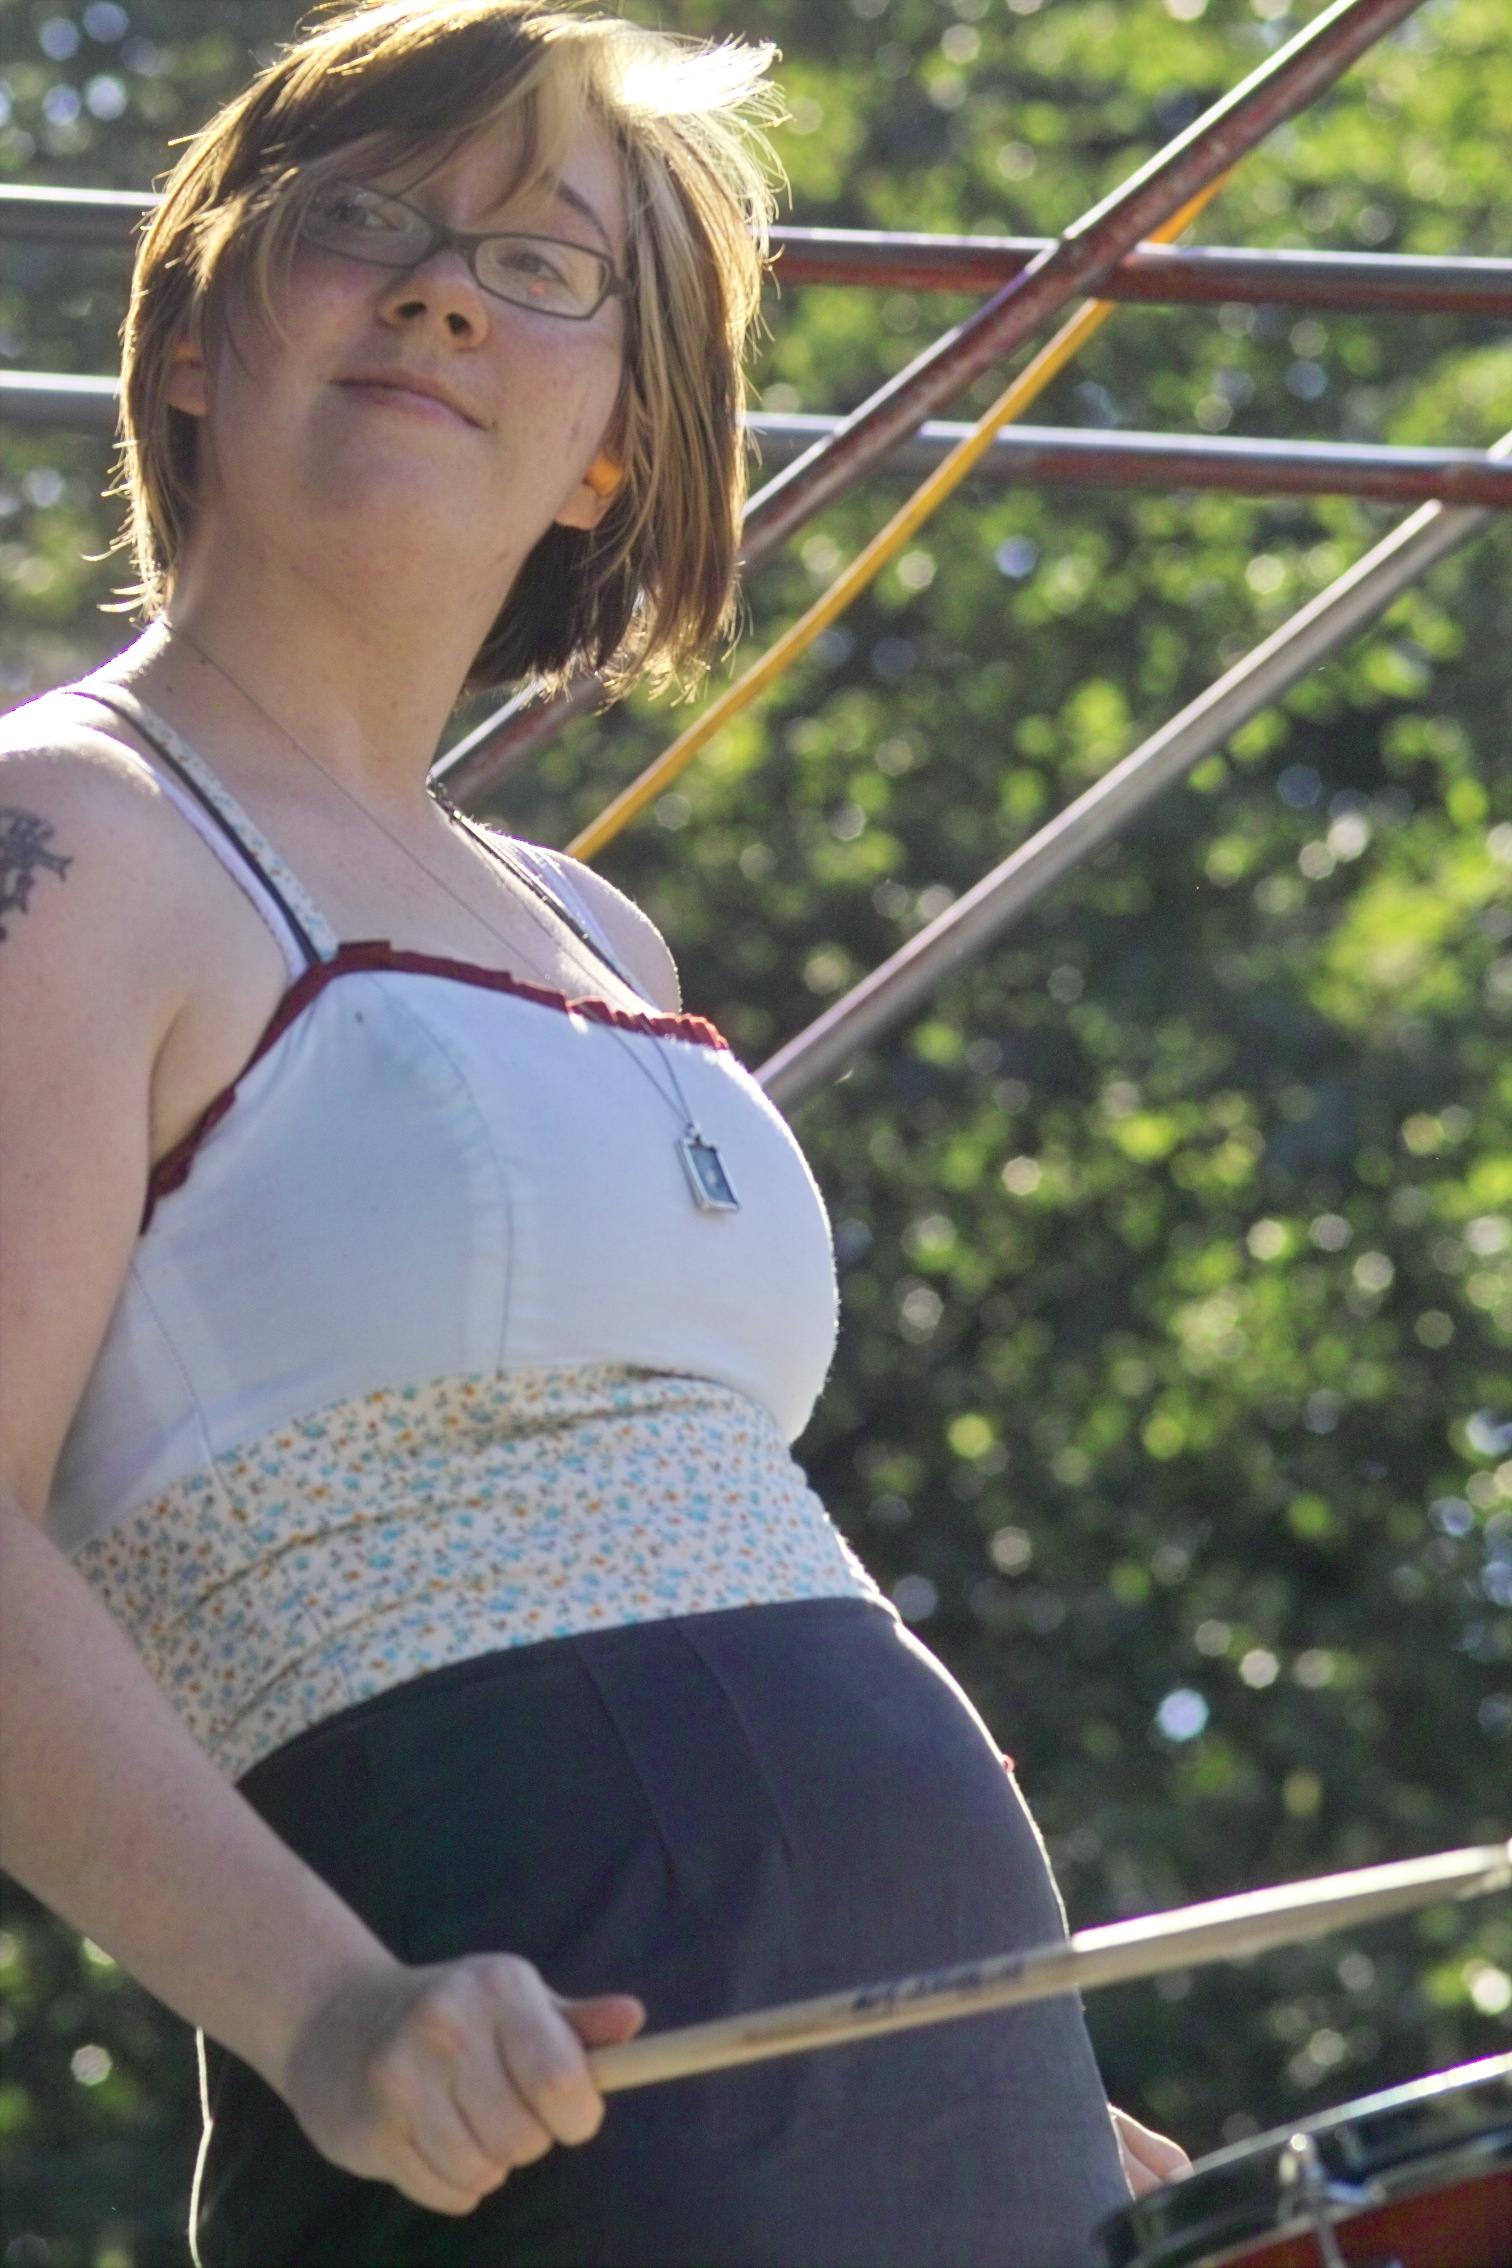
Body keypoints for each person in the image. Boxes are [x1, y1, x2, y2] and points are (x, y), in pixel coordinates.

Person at [0, 3, 1188, 2260]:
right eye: (368, 222)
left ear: (611, 457)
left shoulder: (595, 930)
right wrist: (327, 2005)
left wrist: (997, 2058)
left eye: (541, 263)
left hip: (943, 2099)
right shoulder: (63, 832)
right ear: (188, 341)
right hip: (525, 2132)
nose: (443, 293)